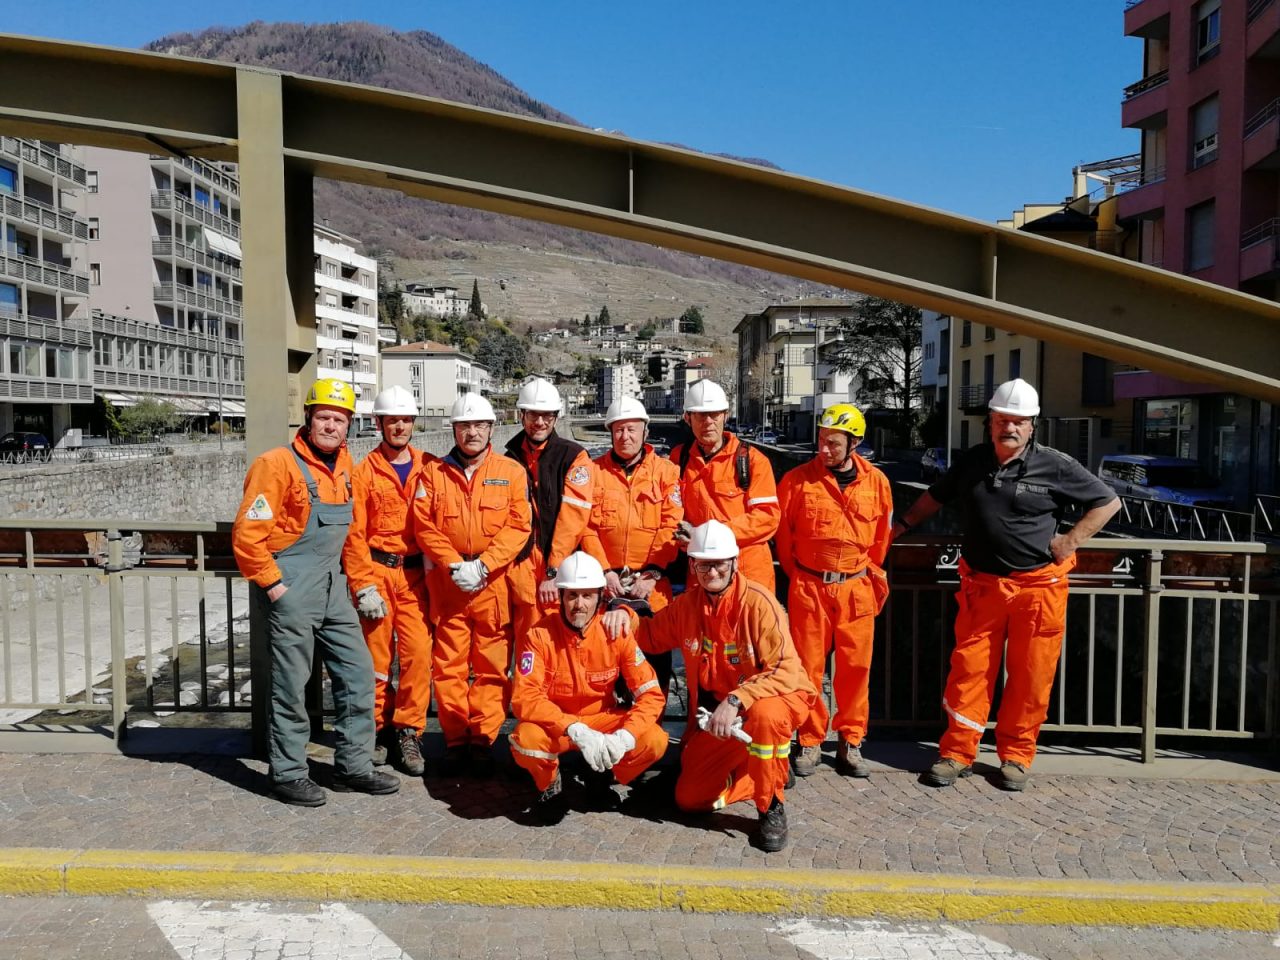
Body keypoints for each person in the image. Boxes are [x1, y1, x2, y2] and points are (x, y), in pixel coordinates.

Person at [892, 378, 1120, 791]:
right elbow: (935, 496)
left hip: (1039, 589)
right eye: (1001, 420)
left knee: (1031, 676)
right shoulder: (972, 461)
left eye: (1018, 422)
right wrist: (903, 525)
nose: (1008, 428)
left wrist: (1070, 541)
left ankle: (1016, 756)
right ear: (990, 422)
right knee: (970, 671)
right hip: (982, 586)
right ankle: (956, 753)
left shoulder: (1056, 464)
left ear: (1032, 425)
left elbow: (1108, 502)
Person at [231, 377, 399, 806]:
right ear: (308, 418)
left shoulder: (346, 469)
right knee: (291, 684)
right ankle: (287, 772)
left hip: (334, 588)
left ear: (350, 425)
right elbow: (248, 536)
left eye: (340, 420)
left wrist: (363, 586)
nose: (331, 427)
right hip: (291, 588)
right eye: (324, 417)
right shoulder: (276, 465)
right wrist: (274, 587)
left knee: (359, 673)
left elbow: (353, 538)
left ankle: (353, 767)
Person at [604, 520, 814, 852]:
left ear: (733, 562)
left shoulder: (759, 604)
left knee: (765, 715)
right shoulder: (687, 606)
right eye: (703, 563)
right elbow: (651, 635)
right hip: (717, 717)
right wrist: (625, 616)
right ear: (693, 565)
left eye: (718, 563)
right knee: (689, 799)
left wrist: (736, 700)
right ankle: (760, 773)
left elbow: (785, 670)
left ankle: (770, 803)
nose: (711, 571)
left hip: (768, 701)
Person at [413, 392, 531, 777]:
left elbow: (519, 526)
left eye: (479, 425)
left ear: (491, 428)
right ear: (455, 430)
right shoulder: (433, 473)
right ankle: (455, 741)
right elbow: (424, 524)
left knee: (492, 668)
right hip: (449, 587)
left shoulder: (510, 471)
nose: (472, 432)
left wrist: (483, 566)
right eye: (465, 426)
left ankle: (482, 740)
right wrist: (452, 564)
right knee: (448, 667)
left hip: (491, 584)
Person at [776, 403, 892, 780]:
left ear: (854, 443)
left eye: (834, 443)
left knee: (856, 670)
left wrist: (858, 573)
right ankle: (809, 740)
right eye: (822, 441)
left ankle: (850, 739)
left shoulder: (877, 483)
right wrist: (805, 576)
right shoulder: (796, 481)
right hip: (808, 586)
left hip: (856, 586)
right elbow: (784, 539)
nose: (824, 449)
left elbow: (880, 540)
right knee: (808, 668)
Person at [510, 552, 669, 822]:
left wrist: (625, 737)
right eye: (572, 596)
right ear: (560, 597)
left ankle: (602, 774)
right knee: (526, 740)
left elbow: (651, 694)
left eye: (587, 596)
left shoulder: (616, 632)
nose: (579, 605)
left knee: (654, 740)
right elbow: (524, 697)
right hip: (558, 726)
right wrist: (572, 728)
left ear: (599, 598)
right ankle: (549, 785)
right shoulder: (539, 636)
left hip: (602, 721)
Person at [341, 385, 435, 777]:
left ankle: (409, 731)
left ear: (414, 423)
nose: (399, 426)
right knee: (376, 660)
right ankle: (378, 728)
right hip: (378, 572)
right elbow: (353, 534)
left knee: (417, 656)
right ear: (378, 424)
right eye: (392, 420)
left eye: (405, 420)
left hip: (415, 575)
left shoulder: (428, 466)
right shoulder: (363, 473)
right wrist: (362, 584)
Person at [580, 396, 683, 691]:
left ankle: (650, 731)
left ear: (645, 433)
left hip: (652, 587)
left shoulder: (666, 472)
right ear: (611, 433)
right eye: (619, 430)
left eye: (631, 430)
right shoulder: (592, 472)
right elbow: (585, 526)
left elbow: (671, 525)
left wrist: (652, 574)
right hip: (606, 588)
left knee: (654, 667)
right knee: (606, 664)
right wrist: (604, 571)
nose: (625, 436)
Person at [504, 377, 596, 640]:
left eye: (547, 415)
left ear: (556, 417)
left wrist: (554, 569)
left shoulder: (573, 456)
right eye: (534, 414)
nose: (540, 422)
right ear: (522, 415)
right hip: (520, 566)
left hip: (560, 568)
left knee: (562, 641)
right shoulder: (508, 458)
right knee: (526, 643)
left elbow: (574, 517)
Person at [669, 380, 779, 592]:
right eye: (701, 415)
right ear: (687, 418)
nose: (708, 422)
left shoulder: (752, 461)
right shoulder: (679, 459)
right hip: (701, 573)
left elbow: (767, 518)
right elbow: (669, 510)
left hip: (748, 573)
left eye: (715, 414)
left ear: (726, 415)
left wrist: (709, 537)